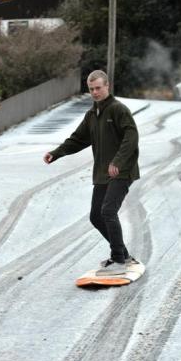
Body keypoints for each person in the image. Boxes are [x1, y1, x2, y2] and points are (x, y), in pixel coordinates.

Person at [43, 70, 140, 276]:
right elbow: (77, 139)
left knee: (108, 211)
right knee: (96, 216)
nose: (95, 92)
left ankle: (118, 259)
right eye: (91, 89)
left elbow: (131, 138)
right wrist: (56, 153)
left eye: (98, 88)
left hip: (122, 171)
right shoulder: (92, 114)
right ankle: (123, 253)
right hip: (103, 173)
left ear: (107, 86)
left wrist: (118, 161)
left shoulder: (118, 110)